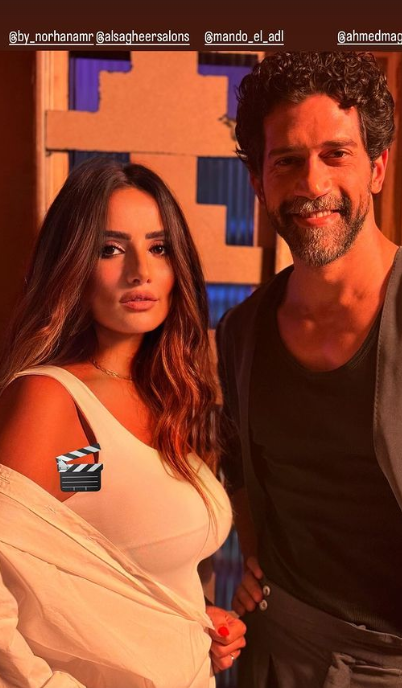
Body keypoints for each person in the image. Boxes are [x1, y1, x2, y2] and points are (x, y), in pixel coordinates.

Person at [216, 51, 402, 688]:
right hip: (279, 651)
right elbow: (238, 467)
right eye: (287, 160)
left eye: (335, 154)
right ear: (258, 181)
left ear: (377, 167)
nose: (312, 182)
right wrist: (254, 554)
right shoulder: (241, 332)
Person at [0, 157, 246, 688]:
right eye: (110, 249)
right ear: (72, 264)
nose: (140, 271)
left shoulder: (163, 401)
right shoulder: (55, 400)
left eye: (158, 248)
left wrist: (190, 618)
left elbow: (89, 519)